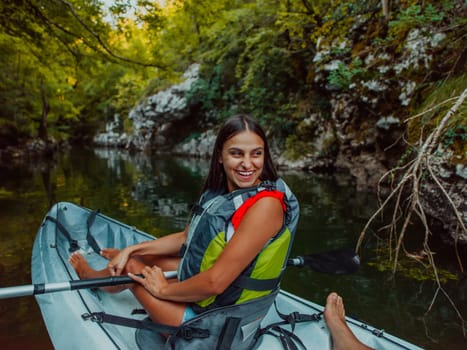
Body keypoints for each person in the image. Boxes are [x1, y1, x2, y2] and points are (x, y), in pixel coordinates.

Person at [69, 114, 299, 330]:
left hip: (217, 321)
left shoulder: (266, 206)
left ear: (264, 155)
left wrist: (164, 289)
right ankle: (121, 261)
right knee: (139, 257)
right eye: (237, 154)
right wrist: (132, 248)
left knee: (131, 267)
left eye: (256, 154)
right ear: (220, 156)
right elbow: (184, 238)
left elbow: (215, 283)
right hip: (215, 297)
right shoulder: (224, 193)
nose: (248, 164)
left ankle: (89, 277)